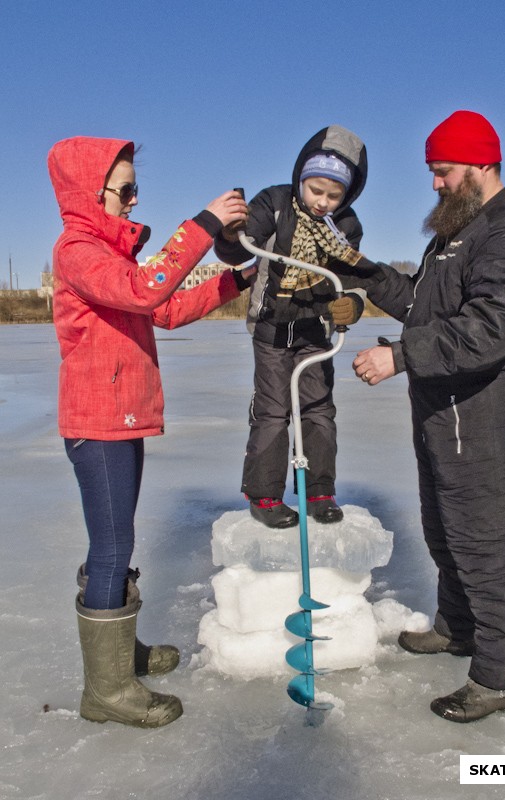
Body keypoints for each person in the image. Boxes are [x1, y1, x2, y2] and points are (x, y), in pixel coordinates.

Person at [351, 111, 505, 722]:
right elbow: (420, 302)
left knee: (486, 544)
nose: (434, 184)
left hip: (484, 413)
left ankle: (498, 677)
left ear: (481, 164)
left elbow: (490, 327)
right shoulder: (455, 234)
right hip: (444, 411)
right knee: (445, 531)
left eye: (442, 172)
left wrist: (399, 355)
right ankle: (457, 628)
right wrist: (359, 271)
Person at [48, 135, 253, 728]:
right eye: (126, 190)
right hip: (98, 421)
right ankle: (107, 690)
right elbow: (147, 289)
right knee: (111, 549)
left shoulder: (109, 256)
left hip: (121, 416)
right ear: (94, 191)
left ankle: (120, 656)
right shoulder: (78, 251)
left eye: (137, 189)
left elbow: (163, 308)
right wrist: (205, 224)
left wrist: (234, 281)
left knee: (118, 544)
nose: (134, 201)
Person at [214, 125, 369, 529]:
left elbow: (351, 275)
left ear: (347, 195)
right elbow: (239, 246)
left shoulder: (346, 224)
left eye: (334, 195)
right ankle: (264, 496)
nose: (323, 202)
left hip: (315, 332)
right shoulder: (275, 203)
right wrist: (230, 235)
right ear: (301, 177)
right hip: (271, 329)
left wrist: (351, 302)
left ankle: (318, 491)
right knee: (272, 411)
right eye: (316, 190)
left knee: (318, 411)